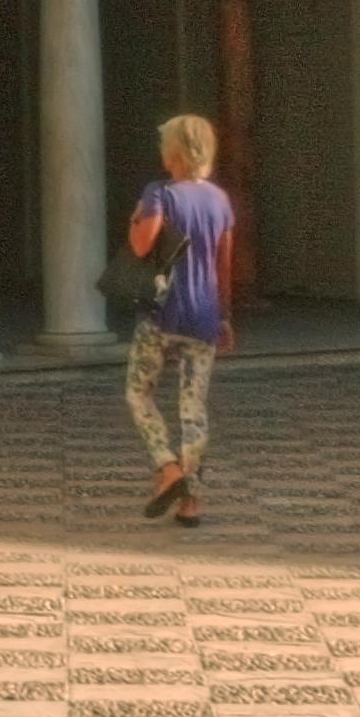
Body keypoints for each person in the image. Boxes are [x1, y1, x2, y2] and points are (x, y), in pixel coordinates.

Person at [122, 113, 238, 527]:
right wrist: (224, 317)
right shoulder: (220, 201)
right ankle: (192, 503)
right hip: (204, 315)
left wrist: (136, 215)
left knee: (139, 394)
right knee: (194, 409)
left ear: (172, 152)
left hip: (161, 313)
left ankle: (166, 466)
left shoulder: (160, 193)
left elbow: (140, 246)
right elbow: (224, 266)